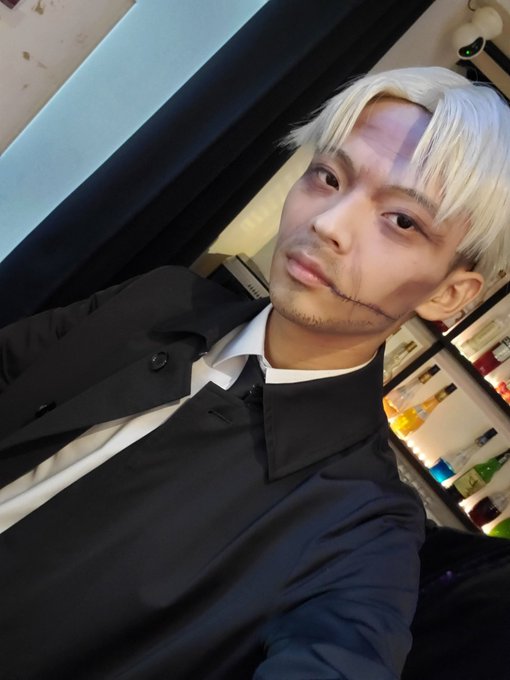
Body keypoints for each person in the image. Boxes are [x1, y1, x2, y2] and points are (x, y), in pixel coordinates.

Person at [0, 66, 509, 679]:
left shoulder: (362, 526)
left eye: (402, 221)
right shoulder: (162, 301)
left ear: (449, 294)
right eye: (328, 177)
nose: (328, 224)